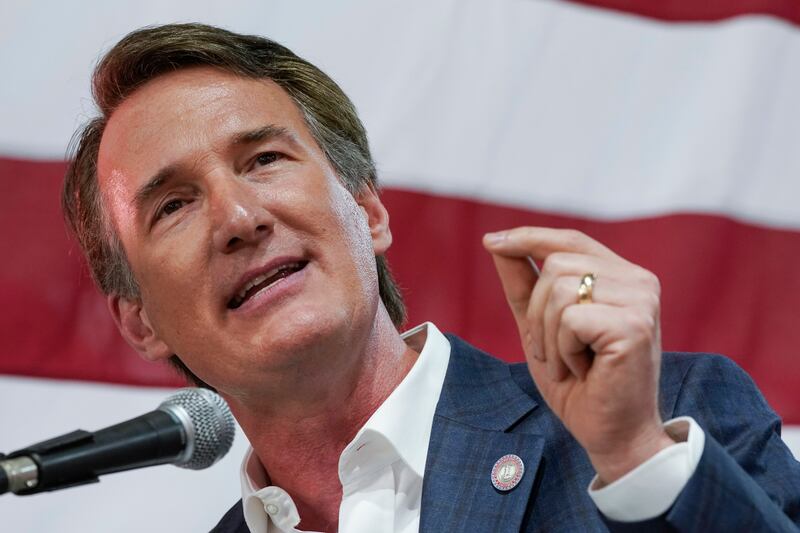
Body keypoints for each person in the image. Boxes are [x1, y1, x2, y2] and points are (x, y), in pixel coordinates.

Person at [61, 23, 800, 532]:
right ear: (139, 321)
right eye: (173, 205)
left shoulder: (668, 416)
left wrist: (637, 457)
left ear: (367, 209)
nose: (239, 217)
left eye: (264, 160)